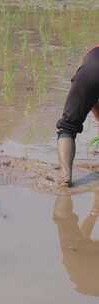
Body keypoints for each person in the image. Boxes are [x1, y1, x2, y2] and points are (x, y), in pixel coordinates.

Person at [56, 46, 99, 187]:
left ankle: (65, 177)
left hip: (89, 75)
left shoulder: (91, 57)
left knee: (67, 127)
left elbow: (89, 93)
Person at [53, 194, 99, 296]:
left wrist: (94, 213)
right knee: (63, 220)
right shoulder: (81, 280)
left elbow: (83, 242)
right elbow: (82, 242)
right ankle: (64, 191)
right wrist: (94, 213)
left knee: (64, 219)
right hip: (74, 255)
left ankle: (65, 190)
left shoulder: (85, 282)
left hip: (76, 255)